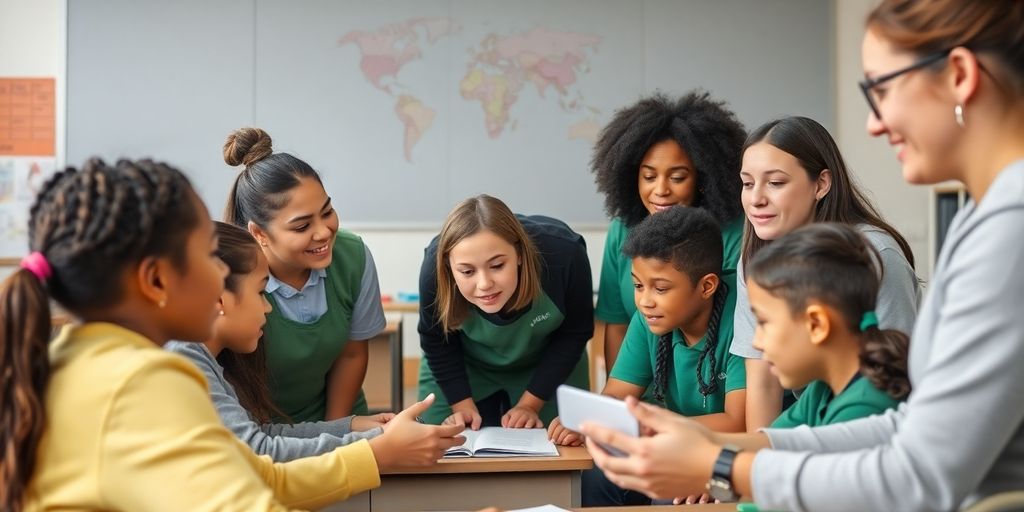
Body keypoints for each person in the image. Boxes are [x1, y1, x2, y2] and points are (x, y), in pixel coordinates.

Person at [580, 1, 1024, 510]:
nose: (874, 124)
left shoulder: (1007, 229)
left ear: (960, 75)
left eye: (881, 90)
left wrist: (722, 467)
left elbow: (919, 470)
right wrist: (716, 448)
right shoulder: (985, 217)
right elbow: (906, 429)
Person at [0, 158, 464, 511]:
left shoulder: (78, 357)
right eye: (208, 254)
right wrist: (376, 453)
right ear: (156, 280)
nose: (223, 272)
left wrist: (371, 451)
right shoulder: (146, 380)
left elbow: (257, 474)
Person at [546, 206, 746, 506]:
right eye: (638, 286)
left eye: (660, 288)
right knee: (595, 475)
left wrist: (652, 429)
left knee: (668, 497)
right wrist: (590, 421)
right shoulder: (651, 318)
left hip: (733, 451)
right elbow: (617, 393)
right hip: (673, 443)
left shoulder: (742, 317)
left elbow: (739, 421)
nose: (644, 301)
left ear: (707, 286)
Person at [733, 115, 919, 430]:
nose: (756, 199)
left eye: (775, 183)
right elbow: (763, 379)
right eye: (747, 183)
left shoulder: (874, 254)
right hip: (815, 414)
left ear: (820, 184)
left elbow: (896, 375)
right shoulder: (756, 257)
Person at [166, 222, 394, 462]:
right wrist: (381, 443)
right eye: (261, 293)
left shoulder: (200, 356)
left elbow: (263, 434)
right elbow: (257, 450)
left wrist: (354, 427)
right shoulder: (184, 357)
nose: (268, 307)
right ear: (219, 299)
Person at [224, 127, 385, 422]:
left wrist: (337, 431)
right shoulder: (230, 275)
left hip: (340, 417)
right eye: (302, 226)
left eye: (327, 212)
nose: (323, 233)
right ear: (259, 233)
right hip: (263, 428)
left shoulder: (352, 255)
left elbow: (351, 354)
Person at [591, 91, 746, 372]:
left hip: (716, 385)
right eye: (649, 176)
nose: (660, 190)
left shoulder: (733, 233)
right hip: (645, 387)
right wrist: (622, 394)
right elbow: (617, 325)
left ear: (702, 178)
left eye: (677, 177)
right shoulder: (622, 230)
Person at [417, 195, 593, 428]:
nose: (484, 284)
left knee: (565, 441)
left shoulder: (566, 254)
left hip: (550, 361)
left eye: (497, 265)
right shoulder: (434, 266)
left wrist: (530, 404)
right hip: (462, 364)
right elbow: (435, 339)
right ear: (449, 267)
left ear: (519, 253)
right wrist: (461, 404)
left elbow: (575, 333)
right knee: (434, 441)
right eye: (467, 272)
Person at [748, 223, 909, 430]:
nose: (756, 342)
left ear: (816, 325)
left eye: (763, 322)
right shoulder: (822, 388)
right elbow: (768, 441)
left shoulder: (864, 408)